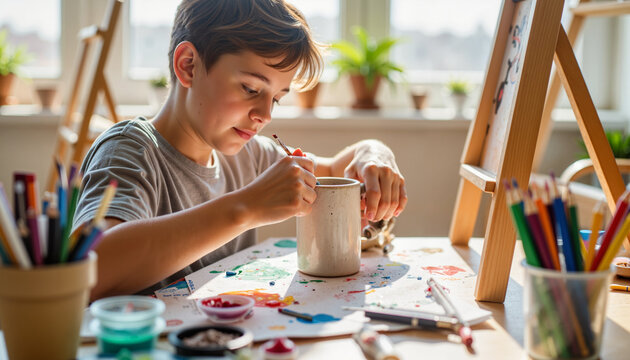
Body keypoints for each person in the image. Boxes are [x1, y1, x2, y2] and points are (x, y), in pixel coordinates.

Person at [74, 0, 407, 301]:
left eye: (276, 98)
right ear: (188, 65)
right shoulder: (129, 150)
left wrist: (372, 152)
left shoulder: (250, 155)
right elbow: (89, 270)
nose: (265, 115)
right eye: (251, 88)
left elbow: (335, 171)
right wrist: (246, 207)